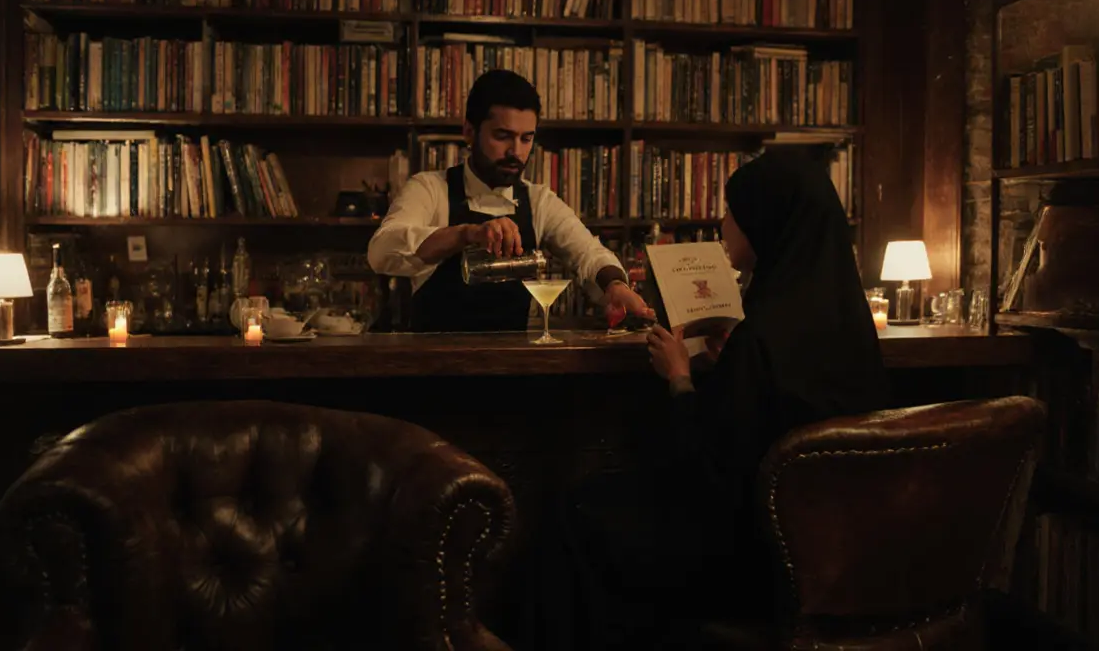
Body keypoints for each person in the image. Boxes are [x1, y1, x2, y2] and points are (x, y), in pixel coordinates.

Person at [523, 145, 890, 650]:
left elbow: (706, 474)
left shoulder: (763, 333)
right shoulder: (846, 321)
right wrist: (727, 366)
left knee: (575, 511)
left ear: (766, 221)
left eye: (733, 211)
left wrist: (679, 379)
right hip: (833, 555)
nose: (722, 222)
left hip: (747, 562)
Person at [368, 69, 653, 332]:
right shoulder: (430, 188)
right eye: (502, 136)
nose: (516, 152)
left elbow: (589, 254)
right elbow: (381, 251)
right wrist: (467, 233)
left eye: (526, 139)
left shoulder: (539, 200)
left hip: (512, 363)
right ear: (469, 131)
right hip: (432, 366)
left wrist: (615, 285)